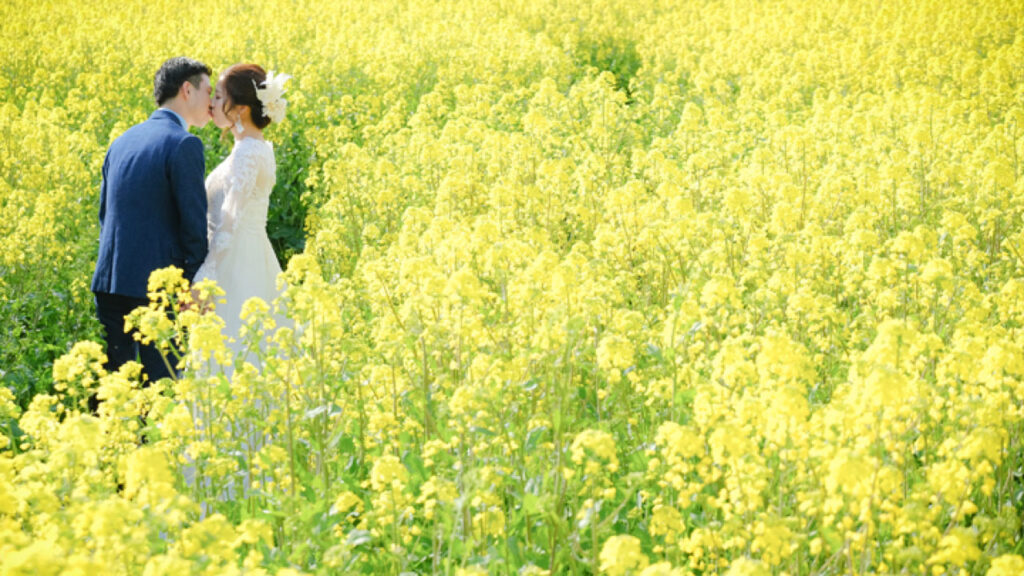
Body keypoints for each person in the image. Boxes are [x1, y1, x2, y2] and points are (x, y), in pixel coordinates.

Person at [91, 57, 212, 383]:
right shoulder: (184, 143)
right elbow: (194, 229)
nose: (212, 102)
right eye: (208, 92)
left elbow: (106, 216)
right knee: (163, 388)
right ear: (187, 90)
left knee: (120, 391)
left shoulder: (121, 141)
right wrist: (188, 286)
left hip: (110, 283)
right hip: (157, 291)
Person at [194, 63, 291, 362]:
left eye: (221, 97)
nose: (212, 104)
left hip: (235, 262)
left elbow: (230, 220)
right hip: (248, 255)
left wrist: (206, 277)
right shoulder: (254, 148)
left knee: (235, 349)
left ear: (242, 110)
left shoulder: (249, 152)